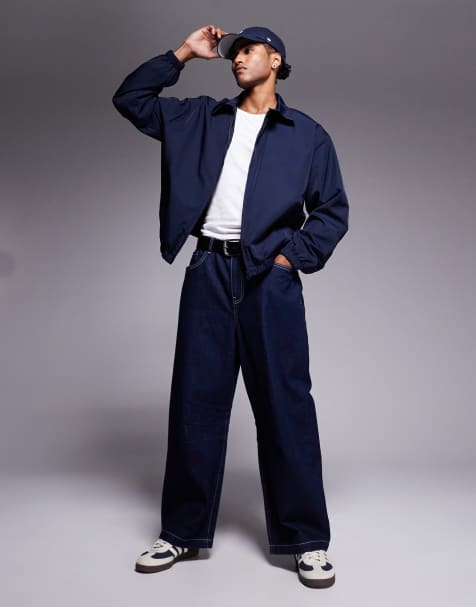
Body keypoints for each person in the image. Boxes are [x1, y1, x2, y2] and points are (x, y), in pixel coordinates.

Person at [112, 24, 349, 589]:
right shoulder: (201, 117)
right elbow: (131, 99)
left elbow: (332, 210)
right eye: (233, 51)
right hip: (208, 272)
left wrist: (290, 259)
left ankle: (306, 541)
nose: (237, 58)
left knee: (286, 407)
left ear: (276, 59)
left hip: (269, 278)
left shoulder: (306, 134)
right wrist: (183, 54)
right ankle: (181, 532)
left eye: (249, 50)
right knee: (196, 403)